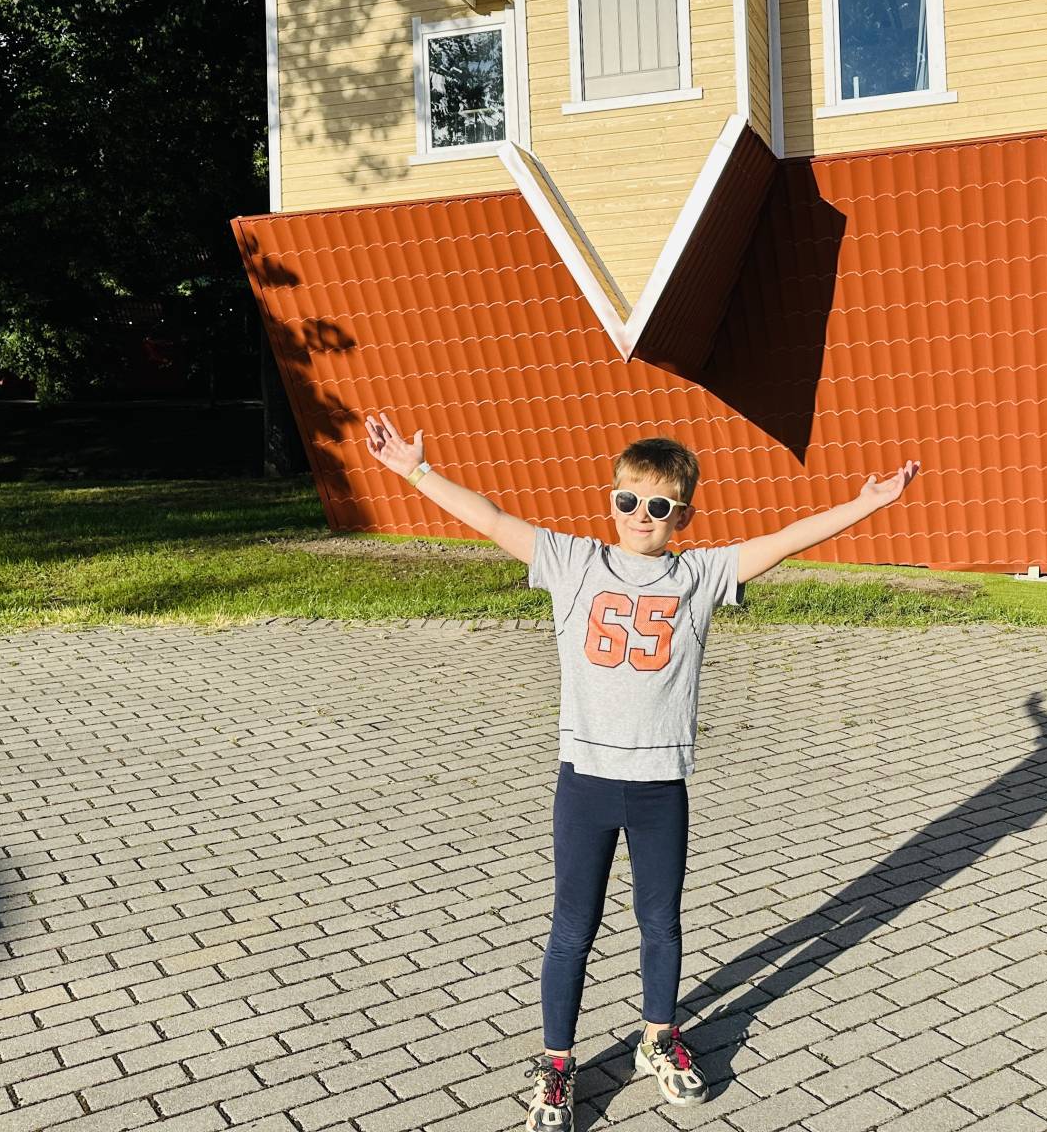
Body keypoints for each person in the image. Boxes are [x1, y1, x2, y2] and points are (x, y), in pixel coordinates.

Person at [362, 413, 919, 1131]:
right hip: (585, 782)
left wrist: (865, 505)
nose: (641, 517)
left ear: (682, 513)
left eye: (659, 506)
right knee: (573, 928)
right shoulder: (572, 561)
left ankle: (660, 1037)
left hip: (661, 785)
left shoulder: (699, 573)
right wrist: (415, 471)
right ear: (612, 501)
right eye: (629, 501)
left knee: (661, 923)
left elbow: (780, 542)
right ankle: (558, 1066)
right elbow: (493, 518)